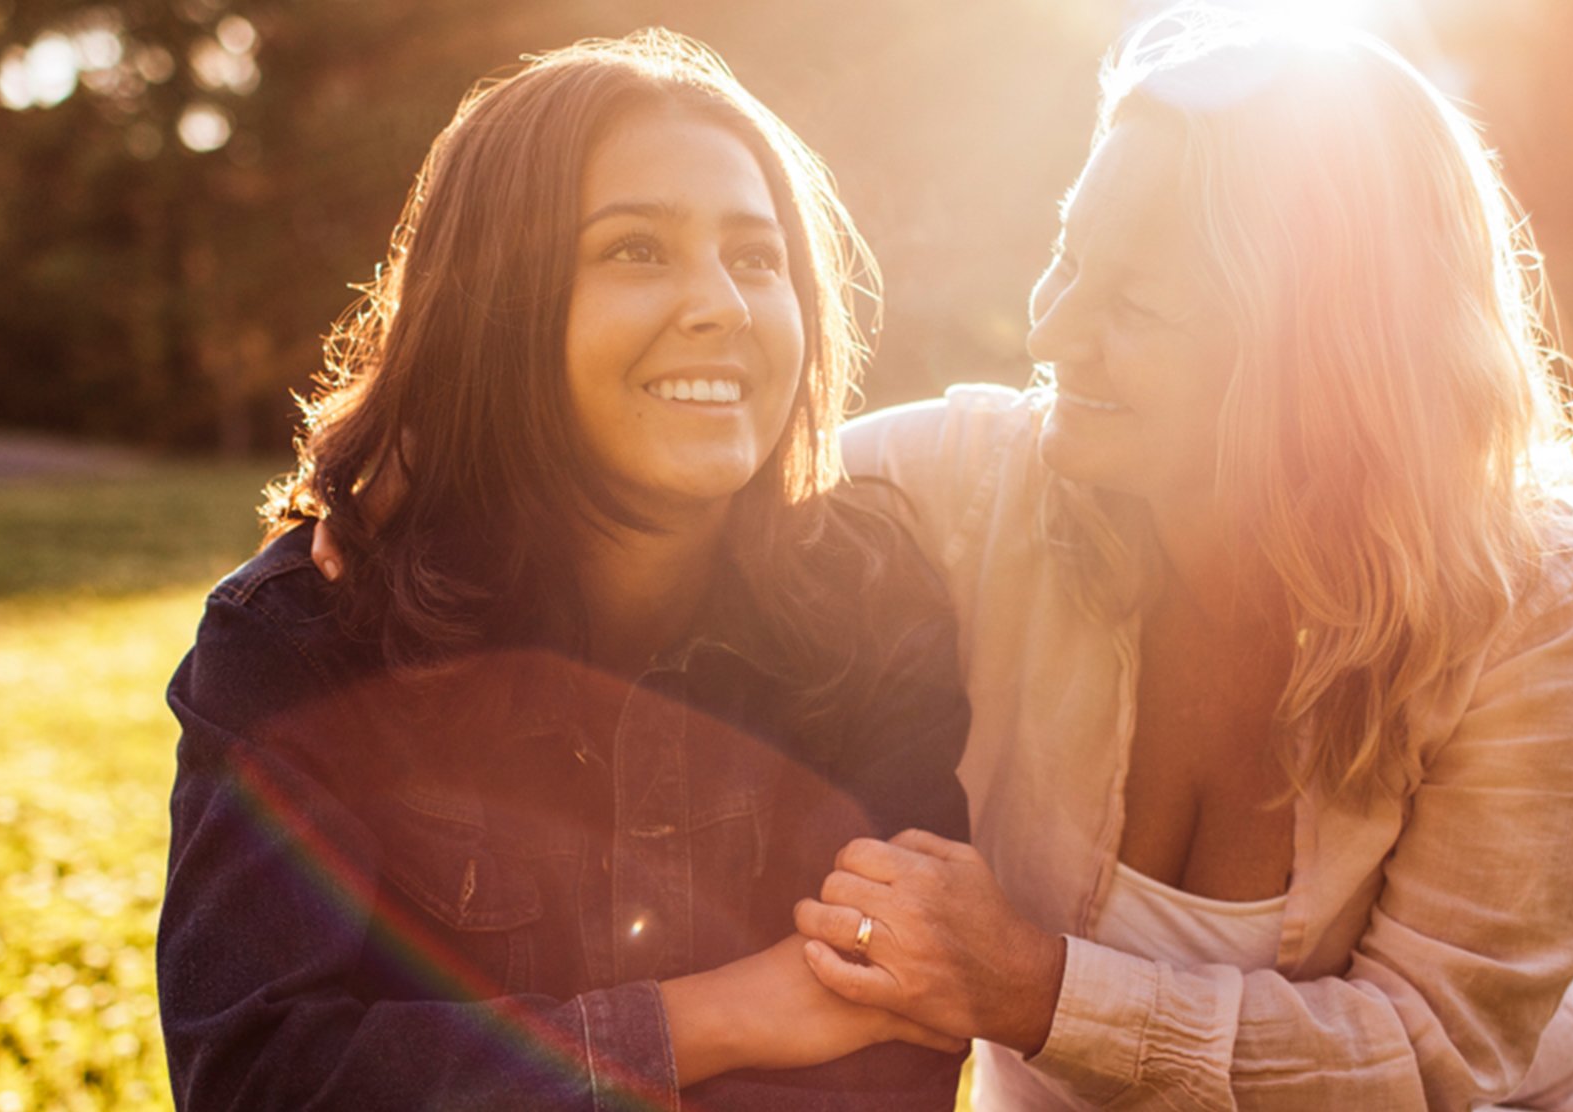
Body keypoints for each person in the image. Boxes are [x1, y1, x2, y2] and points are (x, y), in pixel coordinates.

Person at [784, 10, 1573, 1110]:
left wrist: (1035, 988)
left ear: (1324, 354)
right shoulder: (985, 477)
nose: (1053, 332)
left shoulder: (1546, 607)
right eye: (1068, 255)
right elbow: (709, 493)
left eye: (1136, 302)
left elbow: (1425, 1054)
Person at [157, 30, 971, 1110]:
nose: (722, 303)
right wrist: (704, 1019)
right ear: (495, 307)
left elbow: (890, 1033)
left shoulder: (870, 602)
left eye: (757, 256)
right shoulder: (305, 636)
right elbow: (258, 1076)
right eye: (636, 249)